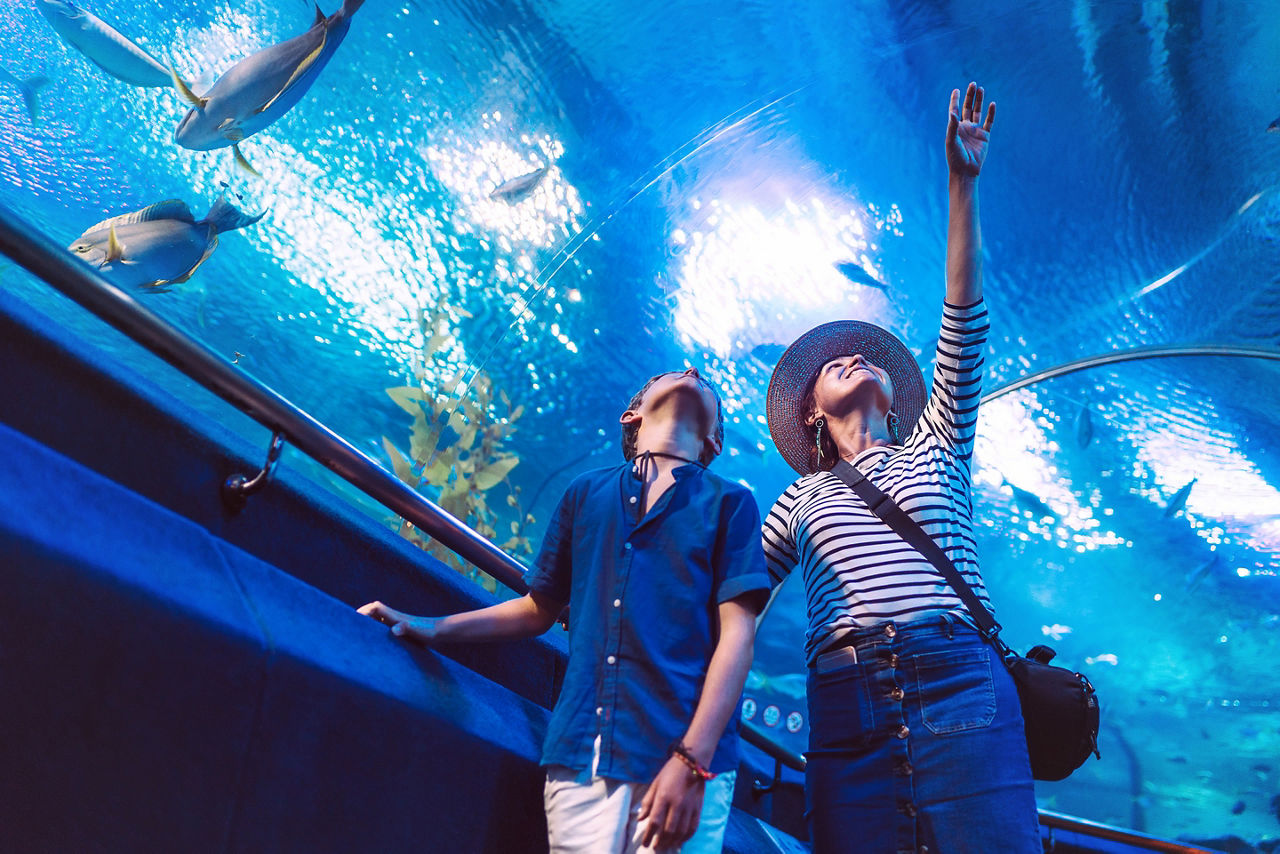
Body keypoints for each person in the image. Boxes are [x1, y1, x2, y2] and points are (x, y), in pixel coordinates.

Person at [760, 83, 1040, 852]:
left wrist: (961, 182)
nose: (852, 355)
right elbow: (738, 590)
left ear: (895, 396)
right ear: (813, 413)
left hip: (958, 674)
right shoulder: (799, 496)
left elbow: (964, 315)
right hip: (844, 693)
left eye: (865, 355)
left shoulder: (938, 442)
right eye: (833, 364)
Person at [360, 368, 770, 853]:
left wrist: (692, 760)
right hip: (583, 746)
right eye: (668, 374)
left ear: (713, 441)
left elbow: (737, 638)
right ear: (631, 415)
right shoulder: (585, 493)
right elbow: (538, 609)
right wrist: (430, 627)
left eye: (704, 383)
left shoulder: (733, 505)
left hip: (686, 753)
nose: (692, 372)